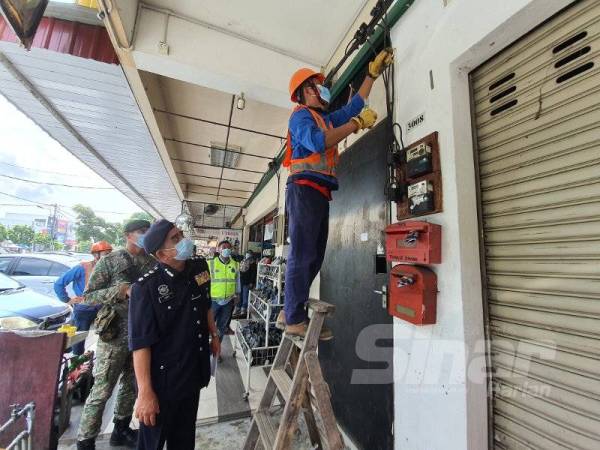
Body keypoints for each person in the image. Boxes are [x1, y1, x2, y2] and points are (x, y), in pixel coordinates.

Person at [279, 48, 394, 339]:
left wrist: (371, 74)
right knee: (303, 255)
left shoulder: (324, 118)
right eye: (317, 85)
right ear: (305, 91)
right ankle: (293, 317)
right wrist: (356, 125)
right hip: (304, 190)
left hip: (319, 191)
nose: (323, 89)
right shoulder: (301, 117)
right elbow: (318, 143)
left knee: (314, 256)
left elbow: (355, 105)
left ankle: (290, 310)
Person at [129, 220, 220, 450]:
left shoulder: (199, 268)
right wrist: (145, 392)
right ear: (161, 254)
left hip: (192, 373)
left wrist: (214, 334)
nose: (184, 241)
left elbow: (206, 303)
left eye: (181, 235)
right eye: (176, 239)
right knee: (153, 443)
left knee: (184, 440)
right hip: (162, 384)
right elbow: (140, 343)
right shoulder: (146, 287)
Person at [76, 220, 155, 450]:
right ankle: (85, 440)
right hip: (114, 336)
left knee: (132, 385)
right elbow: (89, 296)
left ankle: (121, 429)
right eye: (142, 232)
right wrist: (121, 291)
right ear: (128, 235)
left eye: (148, 233)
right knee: (102, 389)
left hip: (140, 335)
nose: (145, 236)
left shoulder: (151, 262)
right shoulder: (111, 261)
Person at [54, 241, 112, 355]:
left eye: (110, 254)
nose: (109, 257)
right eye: (106, 254)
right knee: (79, 338)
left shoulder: (109, 269)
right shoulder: (82, 268)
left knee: (107, 336)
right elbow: (59, 284)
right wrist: (67, 299)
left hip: (103, 308)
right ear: (96, 255)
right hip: (84, 309)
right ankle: (77, 363)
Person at [207, 240, 240, 351]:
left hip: (228, 302)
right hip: (213, 302)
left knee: (221, 327)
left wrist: (238, 294)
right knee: (208, 327)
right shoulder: (210, 263)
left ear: (230, 250)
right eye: (223, 247)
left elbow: (237, 281)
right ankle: (206, 349)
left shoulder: (235, 264)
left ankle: (216, 349)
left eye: (228, 247)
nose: (225, 249)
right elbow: (200, 282)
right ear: (218, 249)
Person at [233, 250, 257, 318]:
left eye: (249, 254)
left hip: (247, 282)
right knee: (239, 295)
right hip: (240, 281)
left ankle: (243, 309)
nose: (248, 255)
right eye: (247, 253)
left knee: (245, 296)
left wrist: (252, 282)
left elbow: (253, 274)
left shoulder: (253, 263)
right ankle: (237, 307)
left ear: (251, 255)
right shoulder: (242, 260)